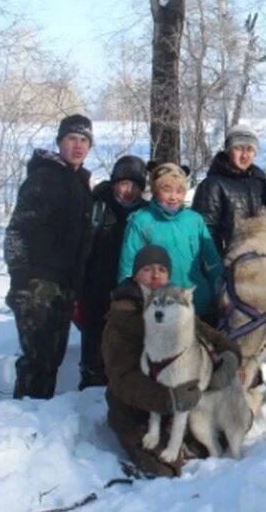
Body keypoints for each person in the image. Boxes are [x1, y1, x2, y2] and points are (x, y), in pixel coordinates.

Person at [102, 245, 241, 477]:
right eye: (147, 269)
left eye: (162, 270)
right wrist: (168, 399)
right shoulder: (121, 319)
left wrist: (229, 359)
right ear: (135, 274)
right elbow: (123, 379)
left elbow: (217, 339)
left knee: (221, 438)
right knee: (167, 469)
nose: (156, 276)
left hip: (180, 403)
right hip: (136, 408)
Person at [4, 114, 94, 399]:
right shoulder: (45, 178)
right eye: (71, 139)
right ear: (59, 142)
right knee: (36, 361)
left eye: (84, 140)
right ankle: (23, 421)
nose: (78, 145)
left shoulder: (79, 183)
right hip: (37, 285)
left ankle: (38, 423)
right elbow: (17, 230)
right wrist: (20, 280)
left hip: (64, 286)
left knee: (51, 361)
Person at [118, 163, 223, 321]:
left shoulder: (194, 220)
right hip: (161, 308)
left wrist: (221, 292)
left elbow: (212, 262)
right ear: (155, 190)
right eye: (167, 190)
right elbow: (128, 267)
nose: (174, 197)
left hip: (199, 304)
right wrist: (130, 302)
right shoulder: (141, 221)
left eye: (179, 191)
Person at [78, 154, 148, 390]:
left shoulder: (145, 214)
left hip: (132, 293)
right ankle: (90, 387)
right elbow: (82, 250)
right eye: (124, 183)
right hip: (96, 289)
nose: (128, 191)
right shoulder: (98, 206)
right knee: (95, 345)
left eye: (135, 186)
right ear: (114, 182)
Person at [191, 124, 266, 254]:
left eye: (249, 149)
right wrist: (216, 266)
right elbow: (205, 231)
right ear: (228, 150)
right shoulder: (213, 185)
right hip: (229, 261)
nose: (244, 155)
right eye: (238, 148)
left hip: (261, 259)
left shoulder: (260, 182)